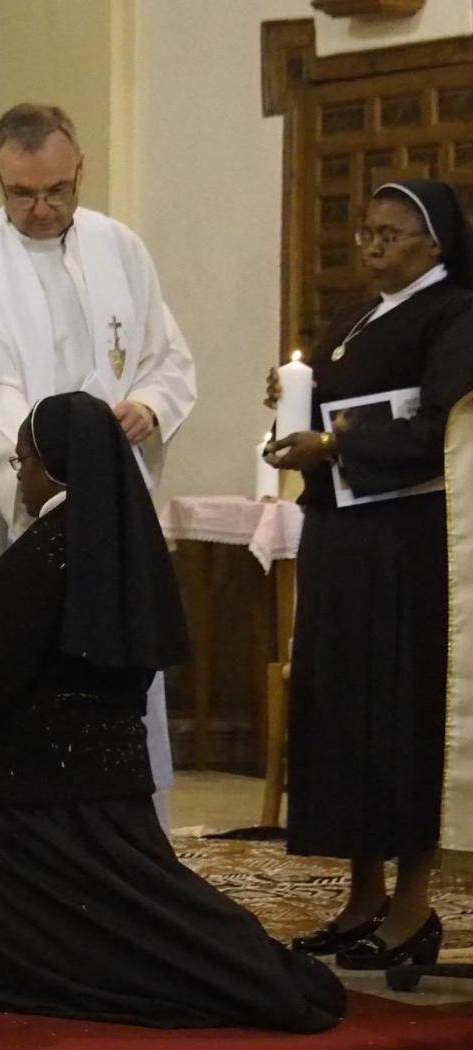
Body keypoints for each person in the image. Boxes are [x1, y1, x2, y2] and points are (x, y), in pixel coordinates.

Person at [0, 392, 345, 1031]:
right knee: (154, 912)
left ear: (55, 465)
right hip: (113, 798)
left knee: (9, 956)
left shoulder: (40, 554)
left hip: (24, 807)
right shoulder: (127, 542)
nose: (18, 475)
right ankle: (259, 973)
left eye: (23, 461)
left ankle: (250, 981)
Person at [0, 102, 196, 828]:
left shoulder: (120, 248)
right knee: (25, 680)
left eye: (57, 189)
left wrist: (148, 403)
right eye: (22, 193)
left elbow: (166, 356)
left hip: (114, 506)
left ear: (79, 170)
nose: (42, 207)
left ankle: (129, 830)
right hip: (23, 506)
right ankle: (36, 834)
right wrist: (56, 474)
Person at [265, 179, 473, 970]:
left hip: (408, 546)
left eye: (392, 234)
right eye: (367, 233)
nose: (374, 246)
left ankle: (414, 907)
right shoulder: (353, 318)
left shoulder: (455, 313)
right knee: (345, 712)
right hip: (343, 540)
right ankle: (360, 899)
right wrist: (293, 420)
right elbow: (321, 408)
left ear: (436, 245)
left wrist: (338, 440)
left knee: (400, 715)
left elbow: (447, 425)